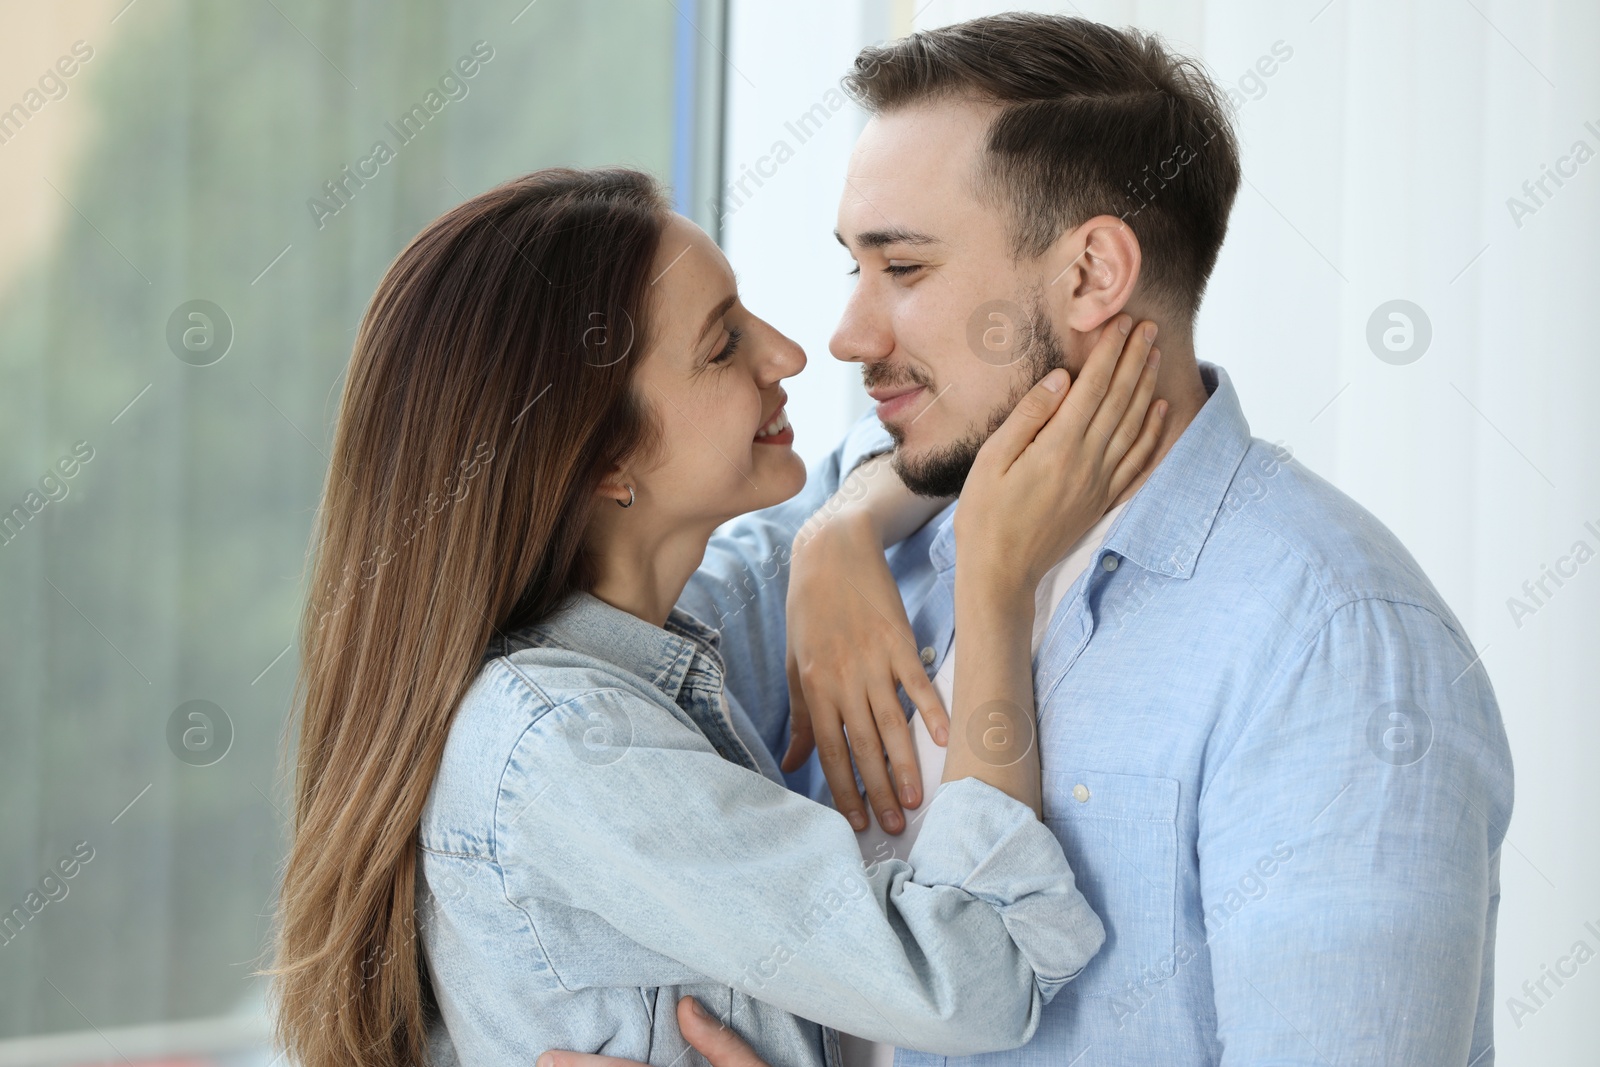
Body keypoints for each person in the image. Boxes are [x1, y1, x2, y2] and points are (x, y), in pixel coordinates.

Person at [553, 12, 1513, 1067]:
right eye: (853, 270)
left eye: (904, 269)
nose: (847, 337)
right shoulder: (881, 529)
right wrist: (841, 527)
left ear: (1093, 274)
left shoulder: (1332, 646)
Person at [265, 165, 1174, 1067]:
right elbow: (977, 971)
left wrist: (843, 526)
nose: (788, 354)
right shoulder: (569, 746)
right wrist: (995, 584)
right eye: (722, 343)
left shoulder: (665, 623)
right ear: (605, 462)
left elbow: (881, 460)